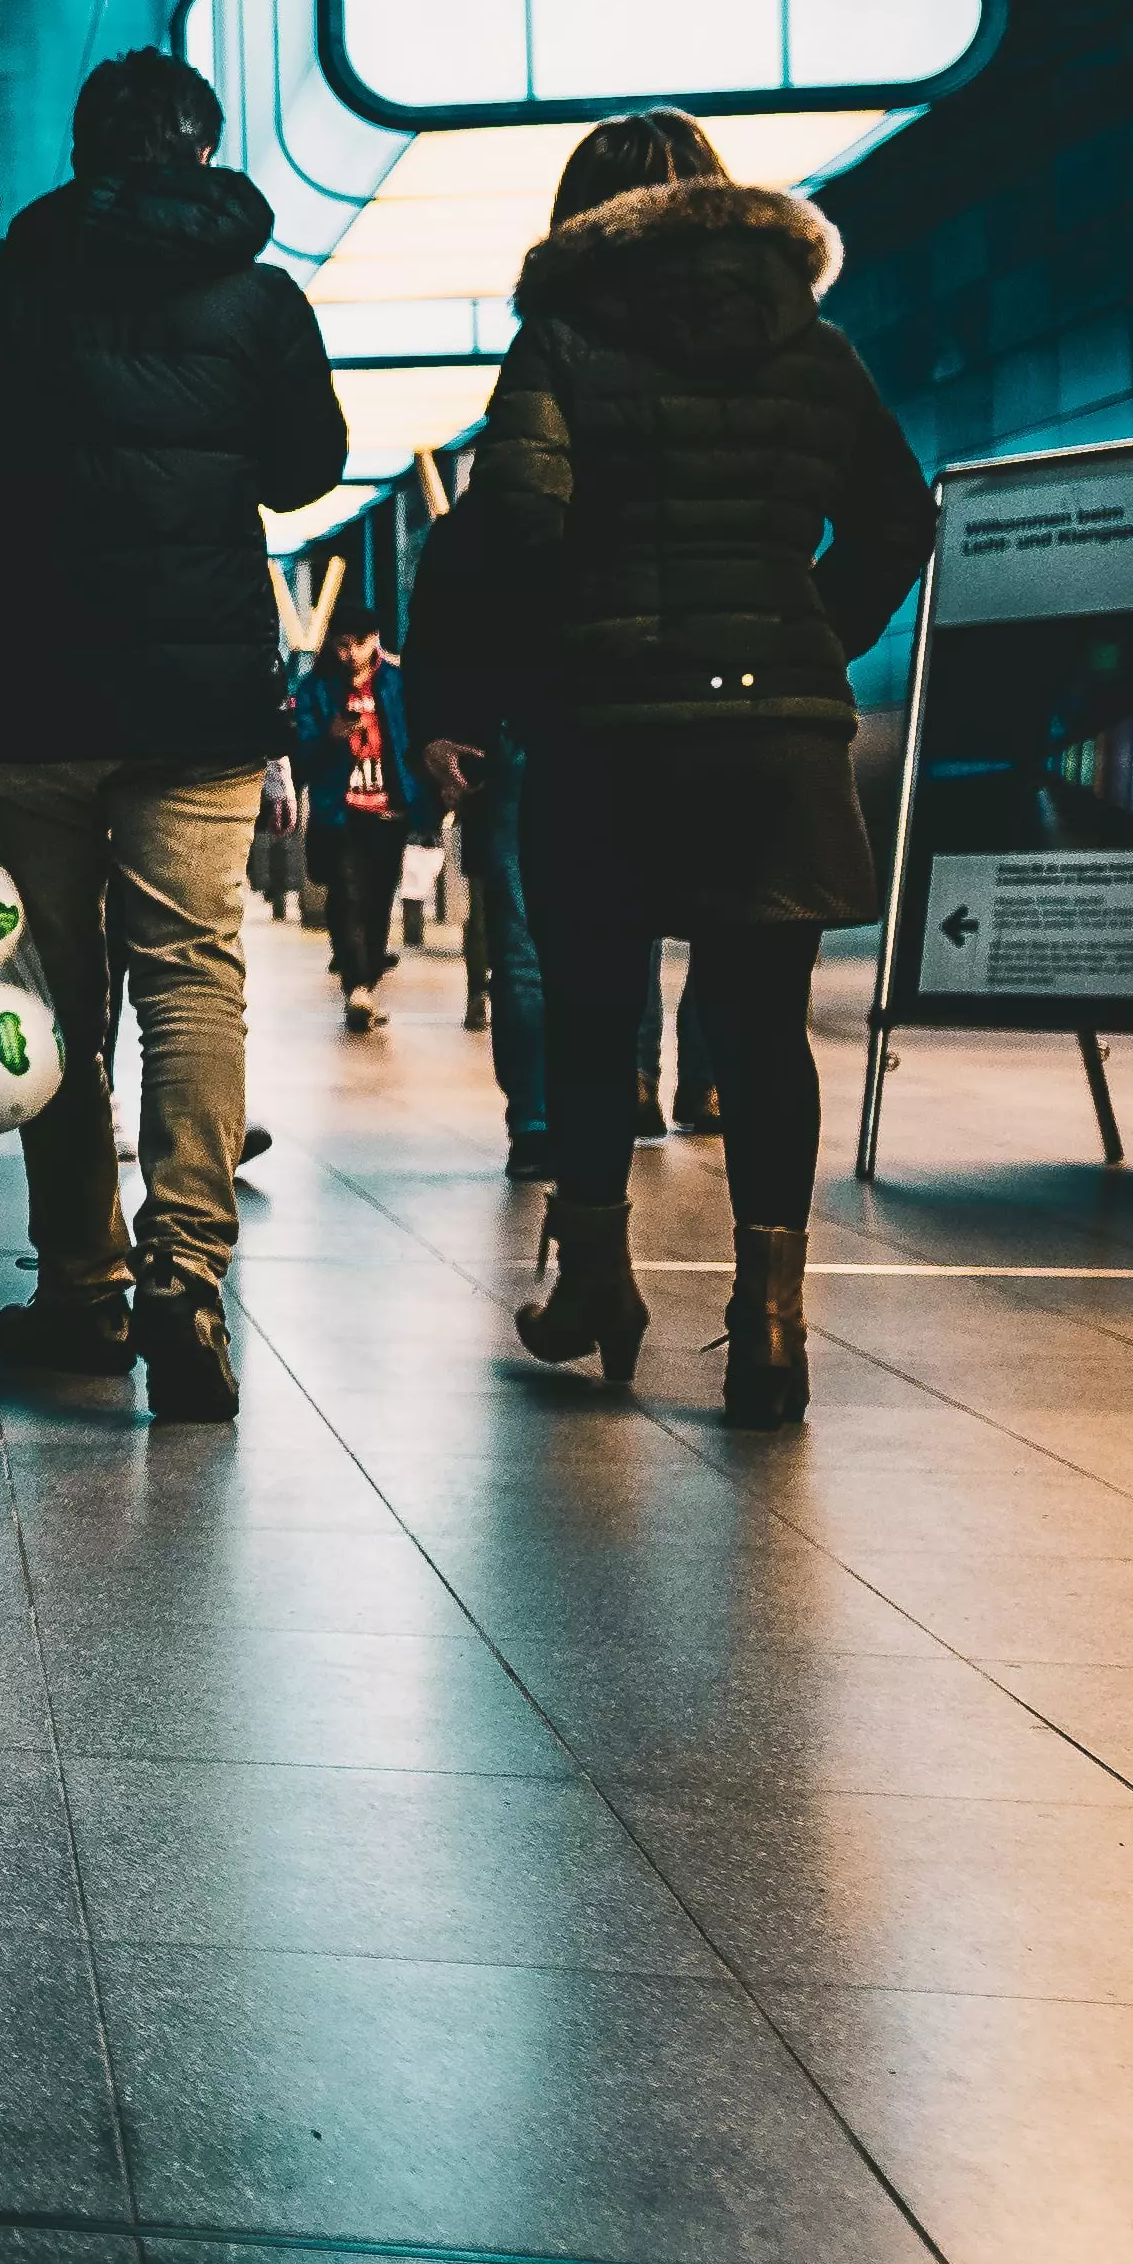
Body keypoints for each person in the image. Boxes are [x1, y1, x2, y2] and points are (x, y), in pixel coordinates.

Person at [0, 48, 346, 1421]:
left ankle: (83, 1292)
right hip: (200, 712)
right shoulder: (260, 304)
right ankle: (188, 1275)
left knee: (56, 1001)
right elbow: (304, 467)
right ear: (206, 147)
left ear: (84, 152)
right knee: (194, 973)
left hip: (34, 701)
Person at [414, 113, 930, 1422]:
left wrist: (510, 671)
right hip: (776, 741)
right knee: (763, 1028)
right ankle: (768, 1326)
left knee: (595, 1011)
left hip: (611, 738)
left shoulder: (565, 345)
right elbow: (898, 515)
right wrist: (807, 629)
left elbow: (519, 520)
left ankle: (599, 1283)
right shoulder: (811, 345)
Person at [295, 605, 416, 1030]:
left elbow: (410, 740)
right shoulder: (317, 689)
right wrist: (328, 736)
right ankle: (356, 987)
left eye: (359, 643)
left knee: (380, 896)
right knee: (347, 893)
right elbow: (300, 752)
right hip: (340, 808)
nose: (351, 653)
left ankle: (368, 980)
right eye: (342, 644)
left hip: (389, 809)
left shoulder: (397, 684)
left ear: (375, 640)